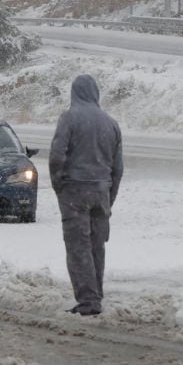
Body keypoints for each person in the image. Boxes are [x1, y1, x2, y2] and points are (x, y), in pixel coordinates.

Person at [49, 74, 123, 316]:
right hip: (101, 191)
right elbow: (118, 167)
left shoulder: (69, 118)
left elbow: (57, 155)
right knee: (96, 246)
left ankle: (89, 300)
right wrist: (109, 196)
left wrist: (58, 184)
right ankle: (96, 294)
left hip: (75, 191)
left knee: (78, 246)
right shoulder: (110, 123)